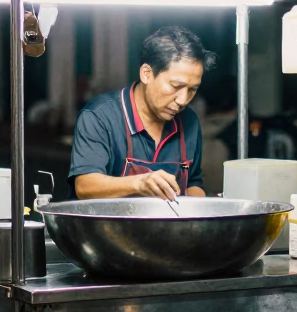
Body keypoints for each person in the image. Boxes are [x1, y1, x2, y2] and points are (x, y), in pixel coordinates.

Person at [69, 26, 214, 200]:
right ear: (146, 74)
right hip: (108, 227)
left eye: (192, 90)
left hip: (168, 227)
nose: (183, 100)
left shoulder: (189, 121)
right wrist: (140, 183)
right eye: (176, 86)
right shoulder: (100, 116)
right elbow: (85, 186)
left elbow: (193, 183)